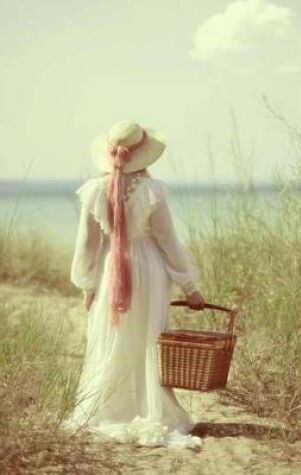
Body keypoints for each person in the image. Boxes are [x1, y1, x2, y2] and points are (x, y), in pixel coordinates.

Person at [61, 120, 205, 449]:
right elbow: (169, 242)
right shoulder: (152, 191)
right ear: (144, 157)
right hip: (149, 271)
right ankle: (148, 407)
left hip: (112, 270)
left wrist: (88, 284)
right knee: (147, 339)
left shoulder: (95, 190)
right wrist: (189, 286)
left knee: (115, 339)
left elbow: (87, 244)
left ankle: (112, 407)